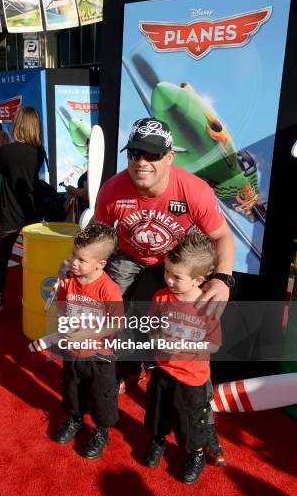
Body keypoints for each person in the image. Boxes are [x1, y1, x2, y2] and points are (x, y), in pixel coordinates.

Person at [92, 117, 235, 380]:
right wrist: (79, 261)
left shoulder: (194, 190)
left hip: (174, 259)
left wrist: (223, 278)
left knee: (178, 312)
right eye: (135, 153)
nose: (142, 162)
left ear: (169, 157)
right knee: (110, 308)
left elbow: (222, 236)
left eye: (152, 154)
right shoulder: (112, 189)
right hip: (128, 255)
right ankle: (123, 365)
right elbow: (96, 229)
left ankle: (165, 365)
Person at [144, 232, 224, 484]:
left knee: (190, 423)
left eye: (176, 276)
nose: (168, 278)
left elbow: (214, 345)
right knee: (158, 412)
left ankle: (196, 454)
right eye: (167, 271)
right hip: (162, 371)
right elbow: (151, 328)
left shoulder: (207, 305)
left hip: (192, 379)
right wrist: (156, 340)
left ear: (198, 279)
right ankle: (158, 441)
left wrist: (185, 347)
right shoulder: (160, 296)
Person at [54, 223, 124, 459]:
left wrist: (86, 334)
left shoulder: (109, 289)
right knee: (72, 388)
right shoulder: (70, 280)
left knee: (101, 395)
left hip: (99, 356)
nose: (74, 262)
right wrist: (58, 285)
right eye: (73, 254)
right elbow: (62, 307)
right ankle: (75, 419)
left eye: (81, 259)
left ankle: (102, 431)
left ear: (100, 264)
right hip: (73, 351)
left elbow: (116, 323)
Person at [0, 107, 45, 318]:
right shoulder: (39, 152)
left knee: (2, 259)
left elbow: (1, 168)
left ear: (18, 124)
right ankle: (36, 299)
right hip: (32, 212)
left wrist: (1, 144)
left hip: (10, 213)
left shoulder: (8, 151)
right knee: (33, 261)